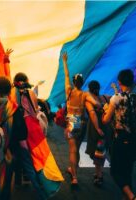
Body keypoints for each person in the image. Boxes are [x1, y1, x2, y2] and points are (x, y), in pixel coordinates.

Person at [13, 72, 64, 198]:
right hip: (33, 126)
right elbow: (35, 109)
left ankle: (34, 185)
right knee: (42, 156)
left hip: (21, 127)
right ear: (25, 81)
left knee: (26, 158)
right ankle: (48, 184)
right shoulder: (30, 92)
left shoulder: (14, 93)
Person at [102, 69, 136, 200]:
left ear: (119, 82)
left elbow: (106, 120)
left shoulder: (116, 98)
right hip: (133, 139)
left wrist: (105, 111)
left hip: (120, 139)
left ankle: (131, 196)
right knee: (127, 172)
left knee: (115, 171)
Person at [62, 52, 99, 185]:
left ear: (74, 82)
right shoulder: (85, 94)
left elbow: (66, 75)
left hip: (72, 120)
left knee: (72, 149)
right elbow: (96, 104)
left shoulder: (69, 91)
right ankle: (72, 169)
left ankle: (75, 177)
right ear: (82, 83)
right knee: (76, 149)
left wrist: (65, 62)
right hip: (82, 122)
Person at [85, 80, 110, 187]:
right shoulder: (106, 97)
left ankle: (99, 176)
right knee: (101, 151)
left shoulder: (89, 101)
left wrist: (97, 128)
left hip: (95, 129)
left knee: (96, 153)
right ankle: (98, 172)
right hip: (106, 128)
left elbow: (93, 115)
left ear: (90, 89)